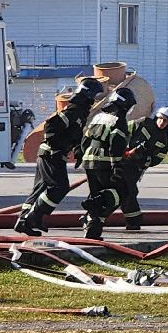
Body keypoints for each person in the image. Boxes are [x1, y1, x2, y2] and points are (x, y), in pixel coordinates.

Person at [14, 77, 103, 237]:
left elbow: (73, 136)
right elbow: (51, 126)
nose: (94, 101)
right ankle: (32, 218)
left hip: (48, 154)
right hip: (51, 155)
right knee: (59, 187)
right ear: (87, 96)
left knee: (40, 189)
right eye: (94, 97)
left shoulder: (79, 113)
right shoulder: (73, 111)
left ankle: (23, 221)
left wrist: (78, 152)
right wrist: (57, 145)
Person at [76, 87, 137, 240]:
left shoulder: (98, 117)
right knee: (121, 193)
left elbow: (85, 141)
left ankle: (93, 230)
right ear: (125, 105)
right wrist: (117, 166)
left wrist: (83, 156)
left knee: (98, 192)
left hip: (89, 161)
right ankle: (94, 204)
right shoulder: (119, 120)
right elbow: (116, 145)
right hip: (104, 163)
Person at [113, 104, 168, 232]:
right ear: (156, 117)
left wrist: (144, 159)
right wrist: (122, 148)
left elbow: (157, 159)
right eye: (161, 119)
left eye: (166, 121)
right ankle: (133, 221)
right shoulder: (143, 123)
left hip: (136, 168)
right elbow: (124, 131)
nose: (162, 123)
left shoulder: (165, 140)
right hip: (121, 160)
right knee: (124, 190)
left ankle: (132, 221)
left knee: (127, 191)